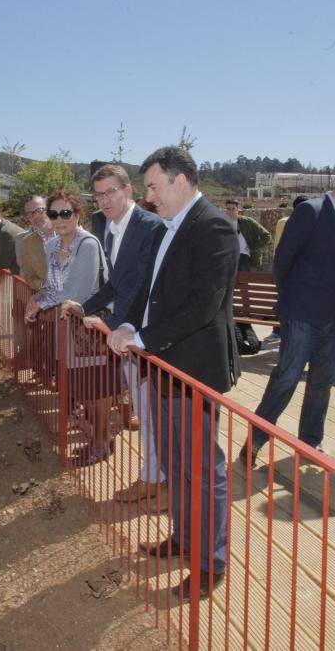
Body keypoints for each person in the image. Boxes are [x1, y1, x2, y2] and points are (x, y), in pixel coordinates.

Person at [107, 146, 240, 600]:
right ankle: (184, 538)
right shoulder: (167, 228)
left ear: (180, 181)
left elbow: (204, 306)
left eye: (153, 187)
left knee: (203, 469)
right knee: (177, 464)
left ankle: (211, 562)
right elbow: (149, 289)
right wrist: (127, 324)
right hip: (163, 366)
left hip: (195, 369)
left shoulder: (215, 226)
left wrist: (143, 340)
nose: (149, 196)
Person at [240, 163, 335, 468]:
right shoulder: (311, 212)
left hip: (333, 318)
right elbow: (283, 261)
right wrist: (289, 308)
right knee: (286, 379)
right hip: (302, 316)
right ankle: (255, 441)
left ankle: (310, 442)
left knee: (322, 381)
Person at [60, 164, 164, 499]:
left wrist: (123, 325)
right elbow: (117, 283)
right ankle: (154, 476)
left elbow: (148, 287)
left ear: (128, 190)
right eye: (99, 194)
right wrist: (85, 306)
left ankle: (153, 480)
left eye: (111, 192)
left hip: (145, 334)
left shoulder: (150, 226)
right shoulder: (110, 226)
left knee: (150, 412)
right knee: (144, 409)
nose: (104, 200)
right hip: (125, 334)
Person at [24, 191, 103, 453]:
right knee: (80, 386)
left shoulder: (87, 244)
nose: (59, 219)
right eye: (54, 214)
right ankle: (93, 439)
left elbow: (76, 292)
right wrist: (37, 298)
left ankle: (101, 444)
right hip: (65, 328)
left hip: (88, 329)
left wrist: (41, 304)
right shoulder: (51, 246)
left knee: (94, 390)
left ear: (78, 214)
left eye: (66, 213)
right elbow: (50, 286)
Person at [266, 195, 310, 344]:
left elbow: (278, 248)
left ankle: (278, 330)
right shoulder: (306, 223)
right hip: (298, 272)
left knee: (282, 300)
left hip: (284, 270)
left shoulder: (283, 222)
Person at [16, 195, 54, 291]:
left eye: (40, 210)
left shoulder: (66, 232)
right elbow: (28, 275)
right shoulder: (27, 243)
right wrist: (44, 287)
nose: (36, 216)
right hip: (50, 301)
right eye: (30, 213)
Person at [224, 200, 272, 271]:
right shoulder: (222, 223)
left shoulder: (248, 222)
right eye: (228, 209)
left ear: (238, 209)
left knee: (244, 279)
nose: (231, 211)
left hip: (243, 256)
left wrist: (252, 248)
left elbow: (267, 236)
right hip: (228, 257)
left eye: (233, 208)